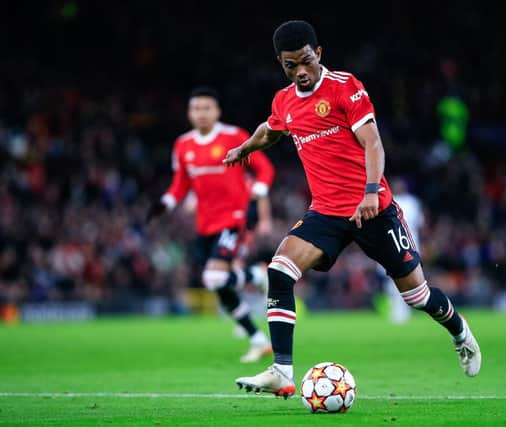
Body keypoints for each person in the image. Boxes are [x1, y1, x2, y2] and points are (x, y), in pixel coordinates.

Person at [224, 20, 481, 398]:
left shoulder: (345, 87)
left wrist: (371, 192)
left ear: (319, 54)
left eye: (306, 61)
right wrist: (245, 148)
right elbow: (271, 129)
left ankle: (459, 330)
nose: (301, 72)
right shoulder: (285, 100)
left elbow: (373, 143)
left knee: (417, 296)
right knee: (279, 270)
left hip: (373, 208)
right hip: (326, 212)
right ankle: (281, 369)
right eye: (290, 66)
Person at [147, 87, 275, 362]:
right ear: (189, 113)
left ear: (217, 111)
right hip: (204, 225)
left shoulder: (234, 137)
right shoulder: (183, 145)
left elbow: (264, 169)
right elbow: (180, 184)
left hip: (233, 219)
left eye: (207, 108)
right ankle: (258, 338)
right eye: (196, 108)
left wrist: (261, 190)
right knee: (217, 284)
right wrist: (165, 203)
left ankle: (256, 277)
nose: (201, 113)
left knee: (214, 277)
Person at [379, 178, 425, 324]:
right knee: (395, 279)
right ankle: (398, 310)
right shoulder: (409, 202)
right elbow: (421, 223)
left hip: (402, 244)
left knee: (402, 278)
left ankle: (401, 311)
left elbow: (420, 224)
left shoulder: (401, 202)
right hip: (399, 244)